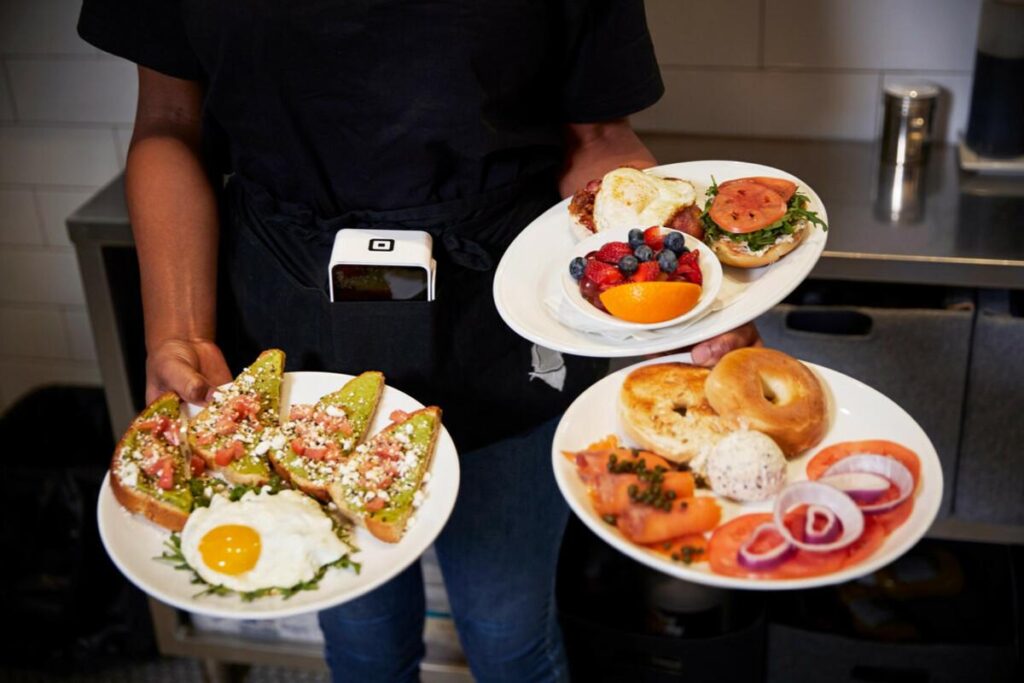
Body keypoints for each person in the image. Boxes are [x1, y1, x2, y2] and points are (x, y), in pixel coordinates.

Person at [79, 2, 759, 680]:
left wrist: (673, 287)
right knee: (361, 639)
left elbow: (600, 139)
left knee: (510, 635)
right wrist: (177, 329)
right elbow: (170, 122)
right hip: (296, 340)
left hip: (507, 320)